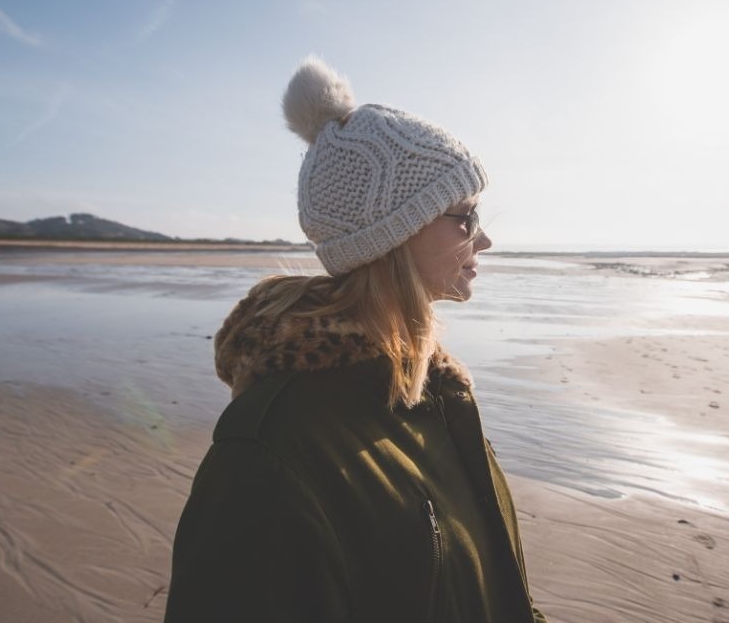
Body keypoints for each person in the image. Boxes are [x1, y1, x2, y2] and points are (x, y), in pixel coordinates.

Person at [163, 57, 547, 622]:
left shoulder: (436, 397)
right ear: (393, 233)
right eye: (464, 216)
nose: (483, 238)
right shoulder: (265, 454)